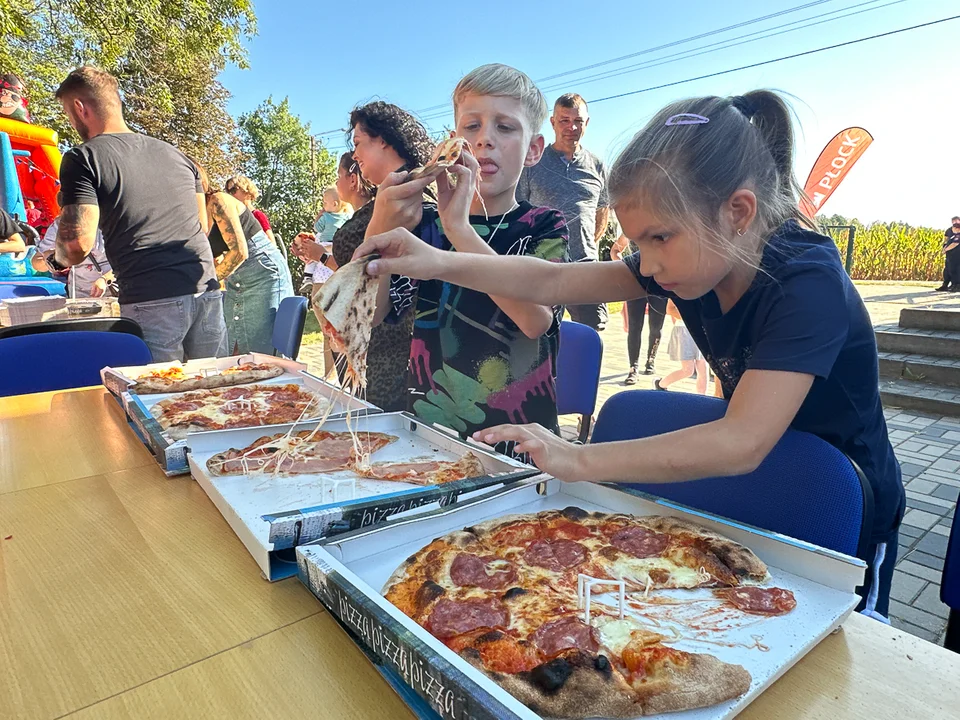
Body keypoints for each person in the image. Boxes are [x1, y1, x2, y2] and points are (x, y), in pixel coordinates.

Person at [355, 90, 904, 618]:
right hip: (766, 476)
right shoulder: (694, 253)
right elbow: (550, 280)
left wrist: (579, 458)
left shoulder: (805, 281)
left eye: (658, 240)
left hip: (847, 502)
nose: (646, 264)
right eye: (637, 244)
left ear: (737, 212)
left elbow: (741, 441)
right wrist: (432, 260)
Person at [364, 64, 569, 458]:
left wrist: (460, 230)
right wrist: (379, 224)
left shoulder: (543, 225)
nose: (485, 140)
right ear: (453, 141)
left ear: (534, 150)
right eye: (471, 127)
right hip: (429, 435)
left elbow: (535, 320)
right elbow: (369, 314)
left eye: (505, 127)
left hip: (521, 443)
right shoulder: (425, 228)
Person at [49, 66, 226, 361]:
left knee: (159, 401)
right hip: (205, 290)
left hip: (151, 297)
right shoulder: (178, 156)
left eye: (68, 112)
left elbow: (76, 245)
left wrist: (54, 261)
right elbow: (201, 226)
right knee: (213, 394)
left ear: (80, 108)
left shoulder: (83, 158)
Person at [300, 103, 434, 411]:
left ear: (383, 140)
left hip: (388, 355)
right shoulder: (395, 195)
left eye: (359, 143)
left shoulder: (408, 199)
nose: (355, 155)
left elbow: (392, 280)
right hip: (373, 347)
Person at [518, 92, 609, 331]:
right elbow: (518, 211)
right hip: (542, 267)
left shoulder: (597, 166)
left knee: (592, 334)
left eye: (578, 120)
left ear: (586, 123)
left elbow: (602, 211)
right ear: (552, 123)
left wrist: (584, 242)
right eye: (564, 120)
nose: (572, 127)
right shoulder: (532, 163)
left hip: (586, 268)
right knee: (540, 338)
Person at [197, 164, 293, 355]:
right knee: (234, 346)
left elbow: (240, 252)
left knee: (261, 352)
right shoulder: (193, 214)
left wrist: (207, 282)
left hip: (264, 272)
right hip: (238, 279)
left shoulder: (218, 200)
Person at [33, 194, 113, 297]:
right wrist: (48, 258)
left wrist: (105, 279)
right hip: (78, 294)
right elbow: (36, 262)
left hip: (112, 293)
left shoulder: (109, 224)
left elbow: (130, 261)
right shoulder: (59, 226)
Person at [611, 234, 667, 382]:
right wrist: (625, 266)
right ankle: (633, 367)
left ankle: (650, 361)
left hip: (658, 284)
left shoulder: (661, 229)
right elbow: (614, 250)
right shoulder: (632, 231)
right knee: (635, 327)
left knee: (656, 327)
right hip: (635, 284)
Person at [301, 187, 352, 297]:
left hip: (325, 246)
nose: (323, 206)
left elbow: (317, 228)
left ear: (334, 204)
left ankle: (307, 277)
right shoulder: (348, 218)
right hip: (337, 248)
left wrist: (318, 218)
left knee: (314, 257)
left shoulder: (326, 217)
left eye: (325, 202)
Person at [655, 300, 707, 394]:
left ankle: (702, 397)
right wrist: (692, 320)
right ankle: (661, 384)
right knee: (688, 370)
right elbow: (670, 309)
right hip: (683, 330)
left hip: (702, 330)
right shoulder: (679, 289)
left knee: (702, 367)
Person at [224, 175, 276, 245]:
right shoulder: (234, 217)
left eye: (233, 190)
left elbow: (271, 242)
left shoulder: (257, 215)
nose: (230, 195)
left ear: (245, 190)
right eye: (228, 192)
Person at [935, 215, 960, 292]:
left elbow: (956, 243)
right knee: (947, 269)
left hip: (957, 254)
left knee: (956, 270)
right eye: (953, 222)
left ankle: (956, 285)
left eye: (957, 221)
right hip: (949, 254)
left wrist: (945, 249)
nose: (955, 223)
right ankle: (945, 284)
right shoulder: (949, 230)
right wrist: (944, 247)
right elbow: (946, 240)